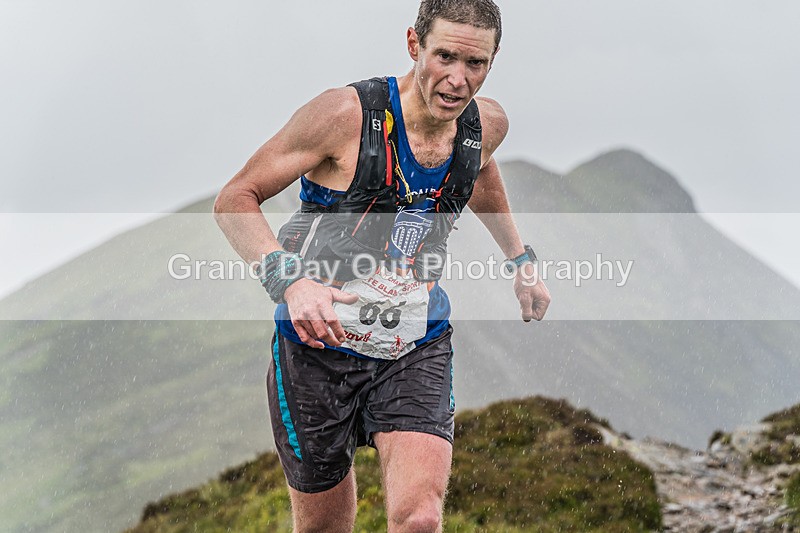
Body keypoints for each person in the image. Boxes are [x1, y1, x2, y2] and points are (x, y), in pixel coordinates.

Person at [214, 1, 550, 530]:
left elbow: (478, 169)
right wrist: (291, 283)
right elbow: (235, 199)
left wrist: (520, 259)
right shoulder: (344, 117)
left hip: (414, 343)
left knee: (419, 520)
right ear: (414, 44)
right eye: (444, 57)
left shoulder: (487, 125)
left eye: (475, 64)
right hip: (315, 350)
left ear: (493, 61)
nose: (457, 80)